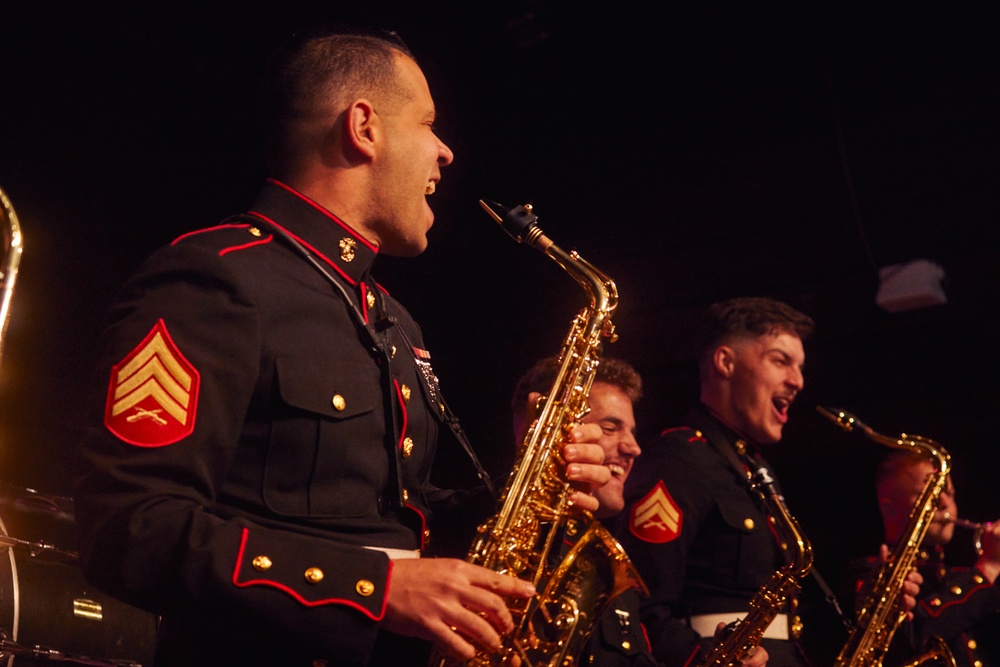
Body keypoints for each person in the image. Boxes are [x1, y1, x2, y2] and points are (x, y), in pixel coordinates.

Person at [71, 26, 613, 667]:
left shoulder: (393, 318)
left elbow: (389, 515)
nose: (445, 153)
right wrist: (375, 590)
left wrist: (520, 501)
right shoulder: (213, 277)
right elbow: (130, 529)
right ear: (364, 126)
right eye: (428, 124)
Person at [611, 296, 923, 666]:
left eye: (800, 367)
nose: (797, 381)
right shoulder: (679, 459)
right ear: (725, 362)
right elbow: (637, 604)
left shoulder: (752, 467)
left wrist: (867, 599)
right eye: (780, 361)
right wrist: (706, 659)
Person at [511, 356, 768, 667]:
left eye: (631, 431)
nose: (634, 447)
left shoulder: (611, 568)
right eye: (610, 427)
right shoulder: (496, 533)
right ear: (542, 428)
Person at [841, 449, 1000, 666]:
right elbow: (915, 636)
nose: (944, 503)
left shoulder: (958, 578)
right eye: (928, 495)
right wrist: (987, 568)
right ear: (889, 509)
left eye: (949, 493)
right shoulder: (866, 574)